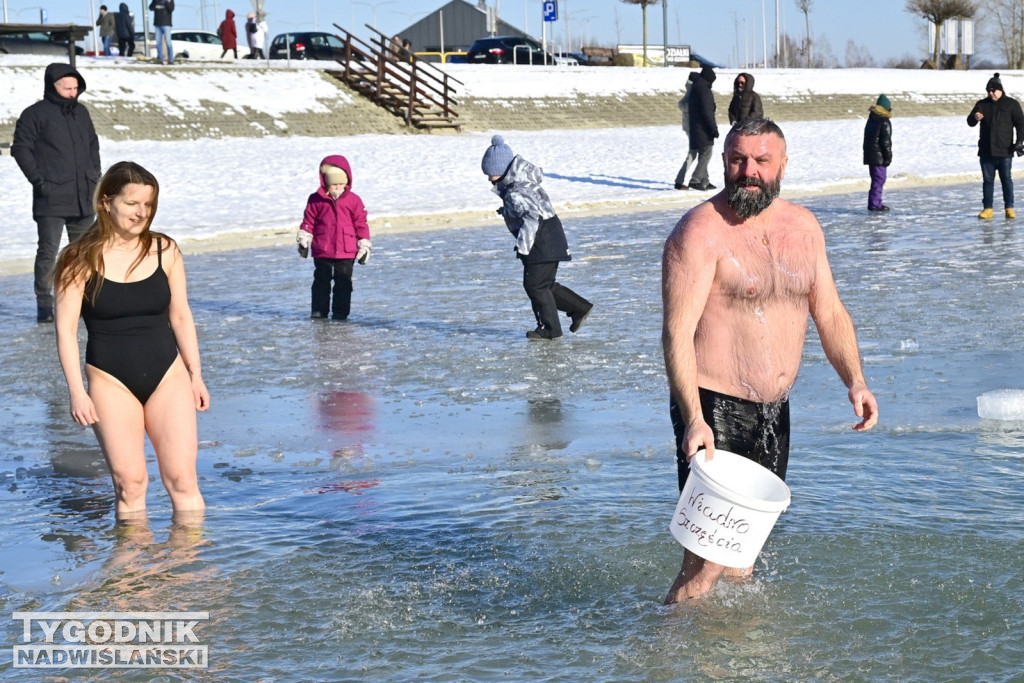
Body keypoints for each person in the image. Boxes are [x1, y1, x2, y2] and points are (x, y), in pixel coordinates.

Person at [661, 118, 879, 603]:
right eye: (738, 160)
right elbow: (675, 333)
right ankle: (663, 656)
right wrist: (693, 418)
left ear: (782, 164)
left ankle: (729, 661)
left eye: (761, 161)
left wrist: (856, 381)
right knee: (705, 563)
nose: (748, 171)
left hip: (775, 410)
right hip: (714, 408)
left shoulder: (803, 228)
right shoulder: (699, 233)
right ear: (724, 162)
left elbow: (830, 311)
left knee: (743, 554)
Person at [53, 161, 208, 518]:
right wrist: (77, 391)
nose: (142, 213)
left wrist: (195, 374)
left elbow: (181, 314)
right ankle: (132, 572)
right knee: (131, 484)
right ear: (106, 202)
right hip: (110, 379)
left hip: (168, 375)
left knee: (183, 480)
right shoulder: (78, 259)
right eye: (132, 204)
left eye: (148, 205)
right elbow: (65, 330)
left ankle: (190, 568)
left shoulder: (164, 250)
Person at [12, 62, 101, 323]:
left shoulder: (81, 113)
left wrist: (94, 174)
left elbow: (92, 144)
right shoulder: (34, 114)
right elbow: (20, 149)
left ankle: (86, 300)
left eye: (76, 87)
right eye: (67, 87)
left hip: (83, 195)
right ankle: (45, 305)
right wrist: (39, 181)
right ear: (53, 86)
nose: (73, 92)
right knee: (48, 251)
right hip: (51, 196)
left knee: (85, 252)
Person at [481, 135, 593, 340]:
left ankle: (550, 329)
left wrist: (523, 246)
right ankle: (578, 308)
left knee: (535, 285)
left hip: (540, 242)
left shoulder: (516, 191)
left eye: (492, 173)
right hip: (551, 237)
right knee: (545, 284)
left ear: (504, 170)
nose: (489, 178)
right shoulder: (522, 184)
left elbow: (532, 217)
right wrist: (507, 211)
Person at [295, 156, 372, 320]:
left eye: (341, 184)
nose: (338, 188)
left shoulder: (353, 200)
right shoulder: (315, 199)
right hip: (323, 248)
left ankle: (340, 312)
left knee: (343, 282)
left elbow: (361, 223)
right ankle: (319, 310)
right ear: (326, 182)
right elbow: (308, 220)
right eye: (334, 184)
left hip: (346, 249)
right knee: (321, 281)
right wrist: (304, 235)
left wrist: (363, 242)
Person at [967, 72, 1024, 220]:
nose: (991, 93)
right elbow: (970, 122)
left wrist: (1019, 142)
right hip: (986, 151)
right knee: (988, 181)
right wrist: (975, 117)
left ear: (1000, 90)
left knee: (1006, 180)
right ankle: (988, 209)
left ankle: (1009, 208)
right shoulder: (982, 104)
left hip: (1005, 150)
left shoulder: (1012, 104)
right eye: (988, 91)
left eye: (993, 90)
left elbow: (1020, 124)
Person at [685, 65, 719, 192]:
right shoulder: (704, 90)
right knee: (706, 153)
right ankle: (695, 179)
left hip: (696, 126)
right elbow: (707, 112)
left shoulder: (697, 87)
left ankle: (705, 181)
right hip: (703, 128)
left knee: (704, 153)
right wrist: (713, 129)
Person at [863, 94, 893, 212]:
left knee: (876, 180)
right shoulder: (884, 121)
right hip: (879, 156)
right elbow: (885, 142)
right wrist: (888, 157)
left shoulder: (871, 119)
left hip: (871, 155)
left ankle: (875, 202)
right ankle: (875, 204)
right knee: (879, 180)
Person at [673, 71, 698, 191]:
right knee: (694, 153)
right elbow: (685, 105)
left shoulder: (690, 90)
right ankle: (681, 180)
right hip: (693, 128)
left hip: (690, 128)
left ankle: (700, 179)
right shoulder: (693, 92)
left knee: (700, 153)